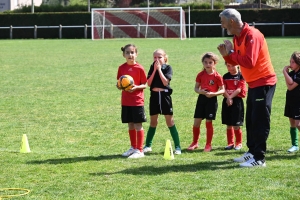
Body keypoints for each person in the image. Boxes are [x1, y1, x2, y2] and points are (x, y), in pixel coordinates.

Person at [217, 8, 277, 167]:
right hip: (253, 83)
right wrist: (226, 55)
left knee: (260, 120)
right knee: (250, 119)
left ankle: (259, 158)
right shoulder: (237, 37)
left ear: (231, 21)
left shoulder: (252, 35)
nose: (221, 26)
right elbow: (238, 61)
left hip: (264, 82)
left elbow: (249, 61)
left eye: (222, 22)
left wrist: (231, 52)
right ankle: (251, 152)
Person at [143, 49, 181, 155]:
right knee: (153, 122)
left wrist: (159, 70)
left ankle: (178, 147)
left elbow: (165, 82)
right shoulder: (152, 67)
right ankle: (147, 145)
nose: (157, 59)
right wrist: (155, 70)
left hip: (164, 96)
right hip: (154, 96)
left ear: (164, 57)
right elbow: (149, 83)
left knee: (170, 122)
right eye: (155, 57)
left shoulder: (168, 68)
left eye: (159, 57)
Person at [187, 52, 225, 152]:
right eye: (205, 62)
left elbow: (222, 90)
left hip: (212, 100)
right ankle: (195, 142)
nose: (208, 64)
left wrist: (214, 94)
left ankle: (208, 144)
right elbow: (196, 88)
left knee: (209, 122)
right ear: (203, 63)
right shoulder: (200, 74)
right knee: (196, 122)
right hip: (202, 99)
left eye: (210, 62)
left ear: (214, 63)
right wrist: (200, 91)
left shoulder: (217, 76)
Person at [116, 44, 147, 159]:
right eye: (128, 53)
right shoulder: (121, 68)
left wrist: (136, 87)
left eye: (132, 52)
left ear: (136, 54)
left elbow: (145, 84)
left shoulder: (139, 68)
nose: (130, 55)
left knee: (138, 124)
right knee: (130, 124)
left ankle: (140, 150)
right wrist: (119, 86)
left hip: (137, 101)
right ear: (124, 55)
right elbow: (120, 82)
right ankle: (133, 147)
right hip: (126, 101)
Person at [222, 62, 246, 150]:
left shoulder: (241, 76)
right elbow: (223, 89)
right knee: (228, 124)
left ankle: (239, 143)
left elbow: (239, 89)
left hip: (237, 102)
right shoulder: (225, 76)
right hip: (227, 100)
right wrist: (228, 98)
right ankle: (230, 143)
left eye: (232, 65)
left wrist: (230, 97)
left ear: (238, 65)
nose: (230, 68)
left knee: (236, 124)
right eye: (228, 66)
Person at [282, 51, 300, 153]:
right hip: (290, 100)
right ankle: (295, 145)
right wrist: (287, 74)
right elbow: (289, 86)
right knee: (292, 122)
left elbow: (291, 85)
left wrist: (285, 72)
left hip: (298, 102)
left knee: (298, 124)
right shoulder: (292, 73)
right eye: (290, 61)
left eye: (293, 62)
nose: (290, 64)